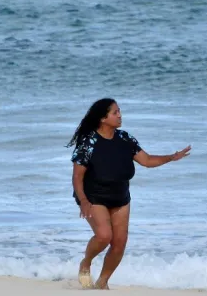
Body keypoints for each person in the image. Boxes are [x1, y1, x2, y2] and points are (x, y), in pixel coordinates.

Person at [66, 98, 191, 290]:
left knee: (119, 242)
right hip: (94, 196)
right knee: (104, 236)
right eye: (115, 112)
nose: (119, 115)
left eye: (119, 111)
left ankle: (102, 282)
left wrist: (171, 157)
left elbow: (147, 160)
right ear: (102, 118)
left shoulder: (125, 138)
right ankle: (86, 262)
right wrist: (83, 200)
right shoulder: (88, 142)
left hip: (120, 197)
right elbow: (77, 176)